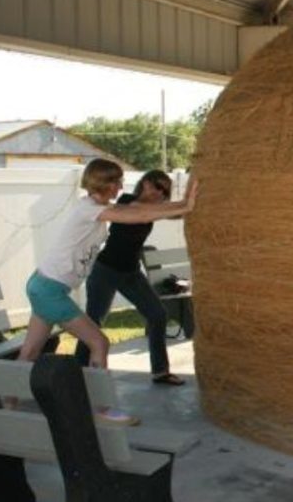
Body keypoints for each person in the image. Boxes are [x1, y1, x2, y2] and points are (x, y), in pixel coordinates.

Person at [17, 159, 197, 423]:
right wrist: (186, 205)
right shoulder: (89, 209)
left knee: (30, 353)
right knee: (99, 342)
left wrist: (185, 206)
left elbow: (148, 210)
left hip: (43, 284)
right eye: (116, 182)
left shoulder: (97, 207)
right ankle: (100, 409)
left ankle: (7, 399)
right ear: (104, 183)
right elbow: (137, 214)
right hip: (50, 290)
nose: (121, 187)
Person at [75, 170, 188, 385]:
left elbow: (172, 213)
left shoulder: (154, 210)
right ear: (144, 183)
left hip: (131, 273)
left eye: (164, 190)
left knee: (157, 315)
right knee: (93, 324)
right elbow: (147, 211)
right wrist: (177, 206)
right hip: (105, 271)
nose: (159, 192)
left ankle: (160, 372)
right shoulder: (127, 201)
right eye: (156, 185)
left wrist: (191, 203)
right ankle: (77, 372)